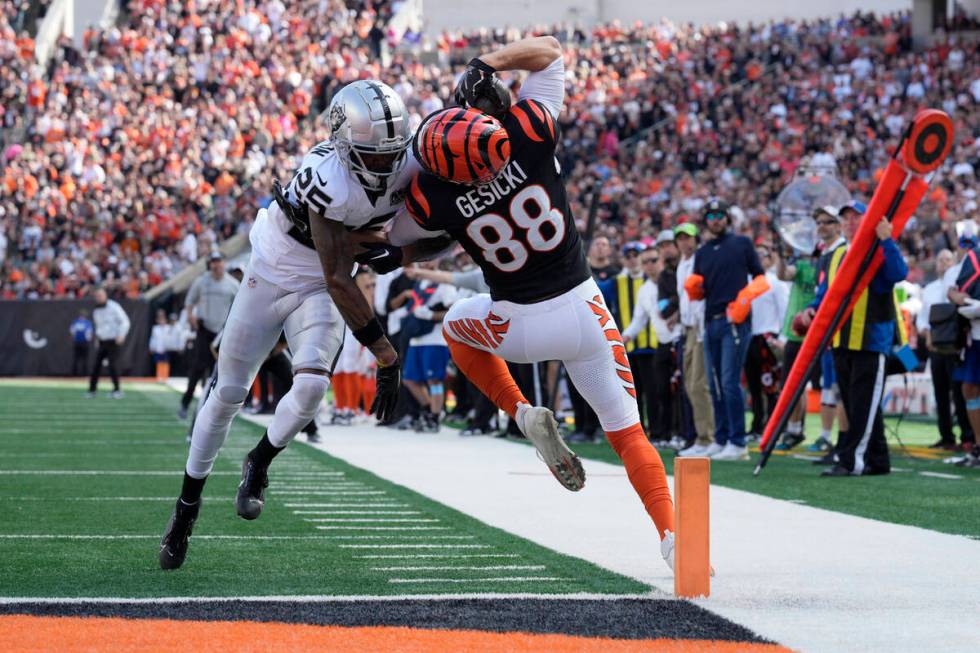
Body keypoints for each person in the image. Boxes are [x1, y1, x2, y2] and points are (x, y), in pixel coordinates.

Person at [392, 36, 678, 570]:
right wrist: (486, 65)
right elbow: (549, 49)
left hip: (517, 326)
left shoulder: (438, 196)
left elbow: (396, 236)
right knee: (629, 432)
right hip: (585, 308)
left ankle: (520, 411)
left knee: (455, 325)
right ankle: (670, 535)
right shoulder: (530, 131)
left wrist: (414, 175)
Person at [159, 79, 441, 570]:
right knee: (228, 392)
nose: (385, 164)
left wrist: (401, 251)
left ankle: (259, 461)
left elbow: (445, 230)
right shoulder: (326, 174)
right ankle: (186, 508)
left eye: (391, 153)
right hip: (274, 271)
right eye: (373, 155)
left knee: (311, 390)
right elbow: (337, 275)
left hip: (321, 286)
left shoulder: (413, 161)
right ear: (343, 142)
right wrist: (386, 355)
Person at [801, 213, 908, 477]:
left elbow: (898, 274)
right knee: (855, 403)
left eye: (856, 217)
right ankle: (878, 459)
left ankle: (851, 461)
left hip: (871, 339)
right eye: (845, 218)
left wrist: (887, 240)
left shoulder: (878, 248)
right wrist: (812, 310)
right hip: (841, 338)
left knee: (862, 404)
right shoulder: (836, 255)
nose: (850, 222)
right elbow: (826, 293)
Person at [685, 199, 769, 461]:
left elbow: (760, 277)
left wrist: (744, 300)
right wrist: (694, 291)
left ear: (728, 218)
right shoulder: (703, 251)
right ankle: (720, 439)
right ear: (706, 221)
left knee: (730, 382)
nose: (716, 219)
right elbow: (700, 290)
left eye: (720, 214)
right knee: (715, 383)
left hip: (734, 320)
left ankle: (738, 441)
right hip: (711, 321)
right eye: (711, 215)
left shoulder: (742, 243)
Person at [622, 248, 679, 444]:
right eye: (645, 262)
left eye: (654, 260)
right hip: (663, 343)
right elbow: (639, 319)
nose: (650, 265)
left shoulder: (674, 279)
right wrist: (625, 337)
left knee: (681, 391)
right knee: (660, 390)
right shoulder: (645, 290)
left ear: (662, 260)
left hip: (680, 339)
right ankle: (664, 434)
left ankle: (682, 434)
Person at [601, 242, 658, 440]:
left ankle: (658, 431)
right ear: (624, 259)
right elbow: (596, 292)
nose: (633, 258)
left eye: (637, 254)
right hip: (627, 348)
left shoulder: (652, 279)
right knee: (633, 394)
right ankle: (639, 432)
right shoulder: (617, 282)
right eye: (629, 255)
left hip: (653, 345)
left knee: (654, 392)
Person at [918, 249, 972, 449]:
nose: (944, 263)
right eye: (941, 259)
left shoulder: (960, 284)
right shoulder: (930, 288)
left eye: (948, 259)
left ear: (955, 262)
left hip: (956, 347)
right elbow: (922, 319)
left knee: (959, 392)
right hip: (935, 346)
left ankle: (967, 436)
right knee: (940, 392)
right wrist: (928, 335)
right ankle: (946, 436)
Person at [177, 252, 240, 419]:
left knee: (222, 370)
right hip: (204, 330)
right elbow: (189, 301)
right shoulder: (201, 281)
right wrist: (191, 317)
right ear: (209, 264)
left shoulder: (233, 284)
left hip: (222, 333)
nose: (216, 265)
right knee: (197, 368)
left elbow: (240, 307)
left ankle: (215, 408)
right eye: (213, 262)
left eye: (218, 261)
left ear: (224, 263)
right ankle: (185, 403)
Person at [401, 261, 457, 432]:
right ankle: (428, 410)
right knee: (409, 379)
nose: (425, 263)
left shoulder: (443, 282)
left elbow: (453, 310)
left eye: (429, 259)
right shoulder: (419, 283)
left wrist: (432, 315)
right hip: (416, 338)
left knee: (434, 380)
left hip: (435, 338)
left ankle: (434, 417)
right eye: (423, 260)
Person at [674, 223, 715, 457]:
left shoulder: (699, 261)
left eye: (688, 238)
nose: (684, 242)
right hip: (688, 328)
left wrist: (699, 329)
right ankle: (703, 436)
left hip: (699, 328)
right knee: (691, 384)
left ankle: (706, 437)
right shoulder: (682, 264)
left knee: (699, 384)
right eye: (680, 238)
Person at [745, 244, 788, 439]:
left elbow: (784, 310)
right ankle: (756, 425)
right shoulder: (747, 282)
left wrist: (782, 337)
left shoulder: (775, 282)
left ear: (770, 258)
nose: (759, 258)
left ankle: (771, 425)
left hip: (768, 336)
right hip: (750, 337)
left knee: (770, 385)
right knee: (753, 385)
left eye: (763, 255)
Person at [87, 287, 130, 398]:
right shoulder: (96, 310)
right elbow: (99, 327)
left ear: (105, 295)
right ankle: (92, 390)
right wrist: (97, 339)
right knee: (96, 366)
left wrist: (121, 335)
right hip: (102, 341)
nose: (99, 298)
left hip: (113, 340)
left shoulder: (114, 306)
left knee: (113, 366)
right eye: (97, 296)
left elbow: (125, 321)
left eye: (101, 295)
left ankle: (117, 390)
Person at [69, 309, 93, 376]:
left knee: (76, 358)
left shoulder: (75, 322)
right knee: (84, 358)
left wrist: (75, 339)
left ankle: (74, 374)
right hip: (84, 343)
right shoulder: (87, 323)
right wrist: (88, 339)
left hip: (77, 342)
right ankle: (84, 374)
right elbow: (89, 334)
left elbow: (72, 332)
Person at [149, 309, 171, 382]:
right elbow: (153, 339)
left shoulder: (169, 328)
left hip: (166, 348)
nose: (162, 321)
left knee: (166, 362)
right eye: (160, 320)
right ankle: (159, 376)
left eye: (163, 320)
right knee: (159, 362)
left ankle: (165, 377)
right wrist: (151, 347)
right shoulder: (155, 328)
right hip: (158, 348)